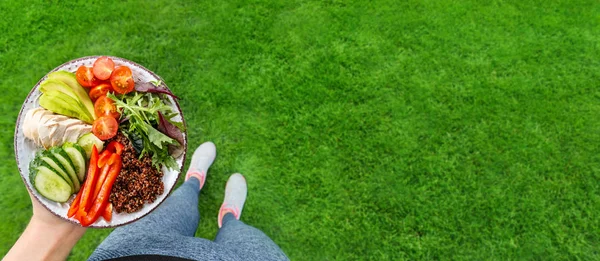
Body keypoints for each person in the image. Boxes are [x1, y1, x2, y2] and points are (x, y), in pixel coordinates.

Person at [4, 142, 289, 261]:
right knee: (242, 235)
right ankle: (229, 217)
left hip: (132, 251)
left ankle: (193, 181)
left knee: (178, 205)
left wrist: (48, 226)